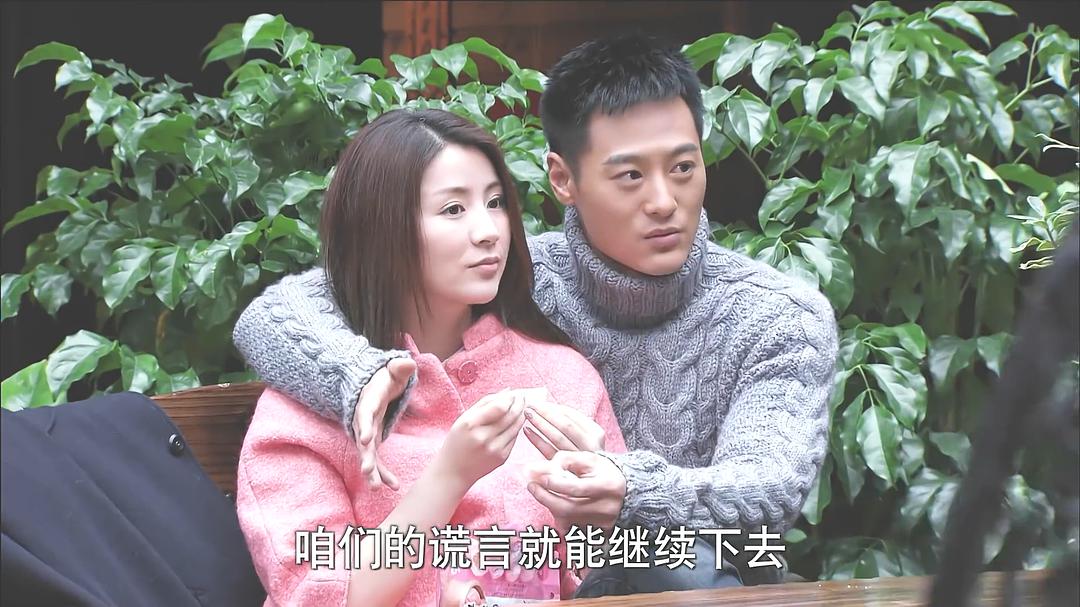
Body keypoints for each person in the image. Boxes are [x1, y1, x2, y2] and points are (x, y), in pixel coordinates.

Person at [234, 32, 839, 593]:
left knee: (684, 573)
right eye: (631, 174)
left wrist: (623, 489)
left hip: (700, 583)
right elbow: (293, 308)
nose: (664, 201)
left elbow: (767, 488)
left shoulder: (774, 317)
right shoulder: (524, 280)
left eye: (683, 167)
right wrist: (354, 376)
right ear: (562, 179)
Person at [234, 108, 627, 606]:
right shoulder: (302, 414)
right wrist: (448, 478)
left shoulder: (563, 377)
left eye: (495, 202)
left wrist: (591, 515)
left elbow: (623, 578)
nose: (488, 231)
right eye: (453, 209)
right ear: (380, 229)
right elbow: (315, 595)